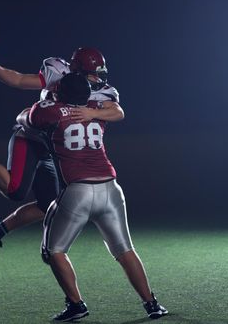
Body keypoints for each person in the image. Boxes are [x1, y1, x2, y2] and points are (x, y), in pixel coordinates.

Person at [0, 47, 125, 263]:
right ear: (77, 70)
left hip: (54, 149)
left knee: (48, 205)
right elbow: (20, 80)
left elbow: (118, 112)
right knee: (15, 190)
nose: (97, 78)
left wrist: (92, 112)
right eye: (92, 73)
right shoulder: (57, 73)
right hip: (31, 138)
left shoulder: (103, 92)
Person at [22, 73, 168, 321]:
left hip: (78, 191)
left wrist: (47, 101)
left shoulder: (51, 111)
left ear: (60, 94)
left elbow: (25, 118)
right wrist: (93, 110)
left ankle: (76, 305)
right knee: (124, 250)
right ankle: (152, 304)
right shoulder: (96, 109)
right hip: (111, 189)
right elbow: (117, 111)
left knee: (53, 250)